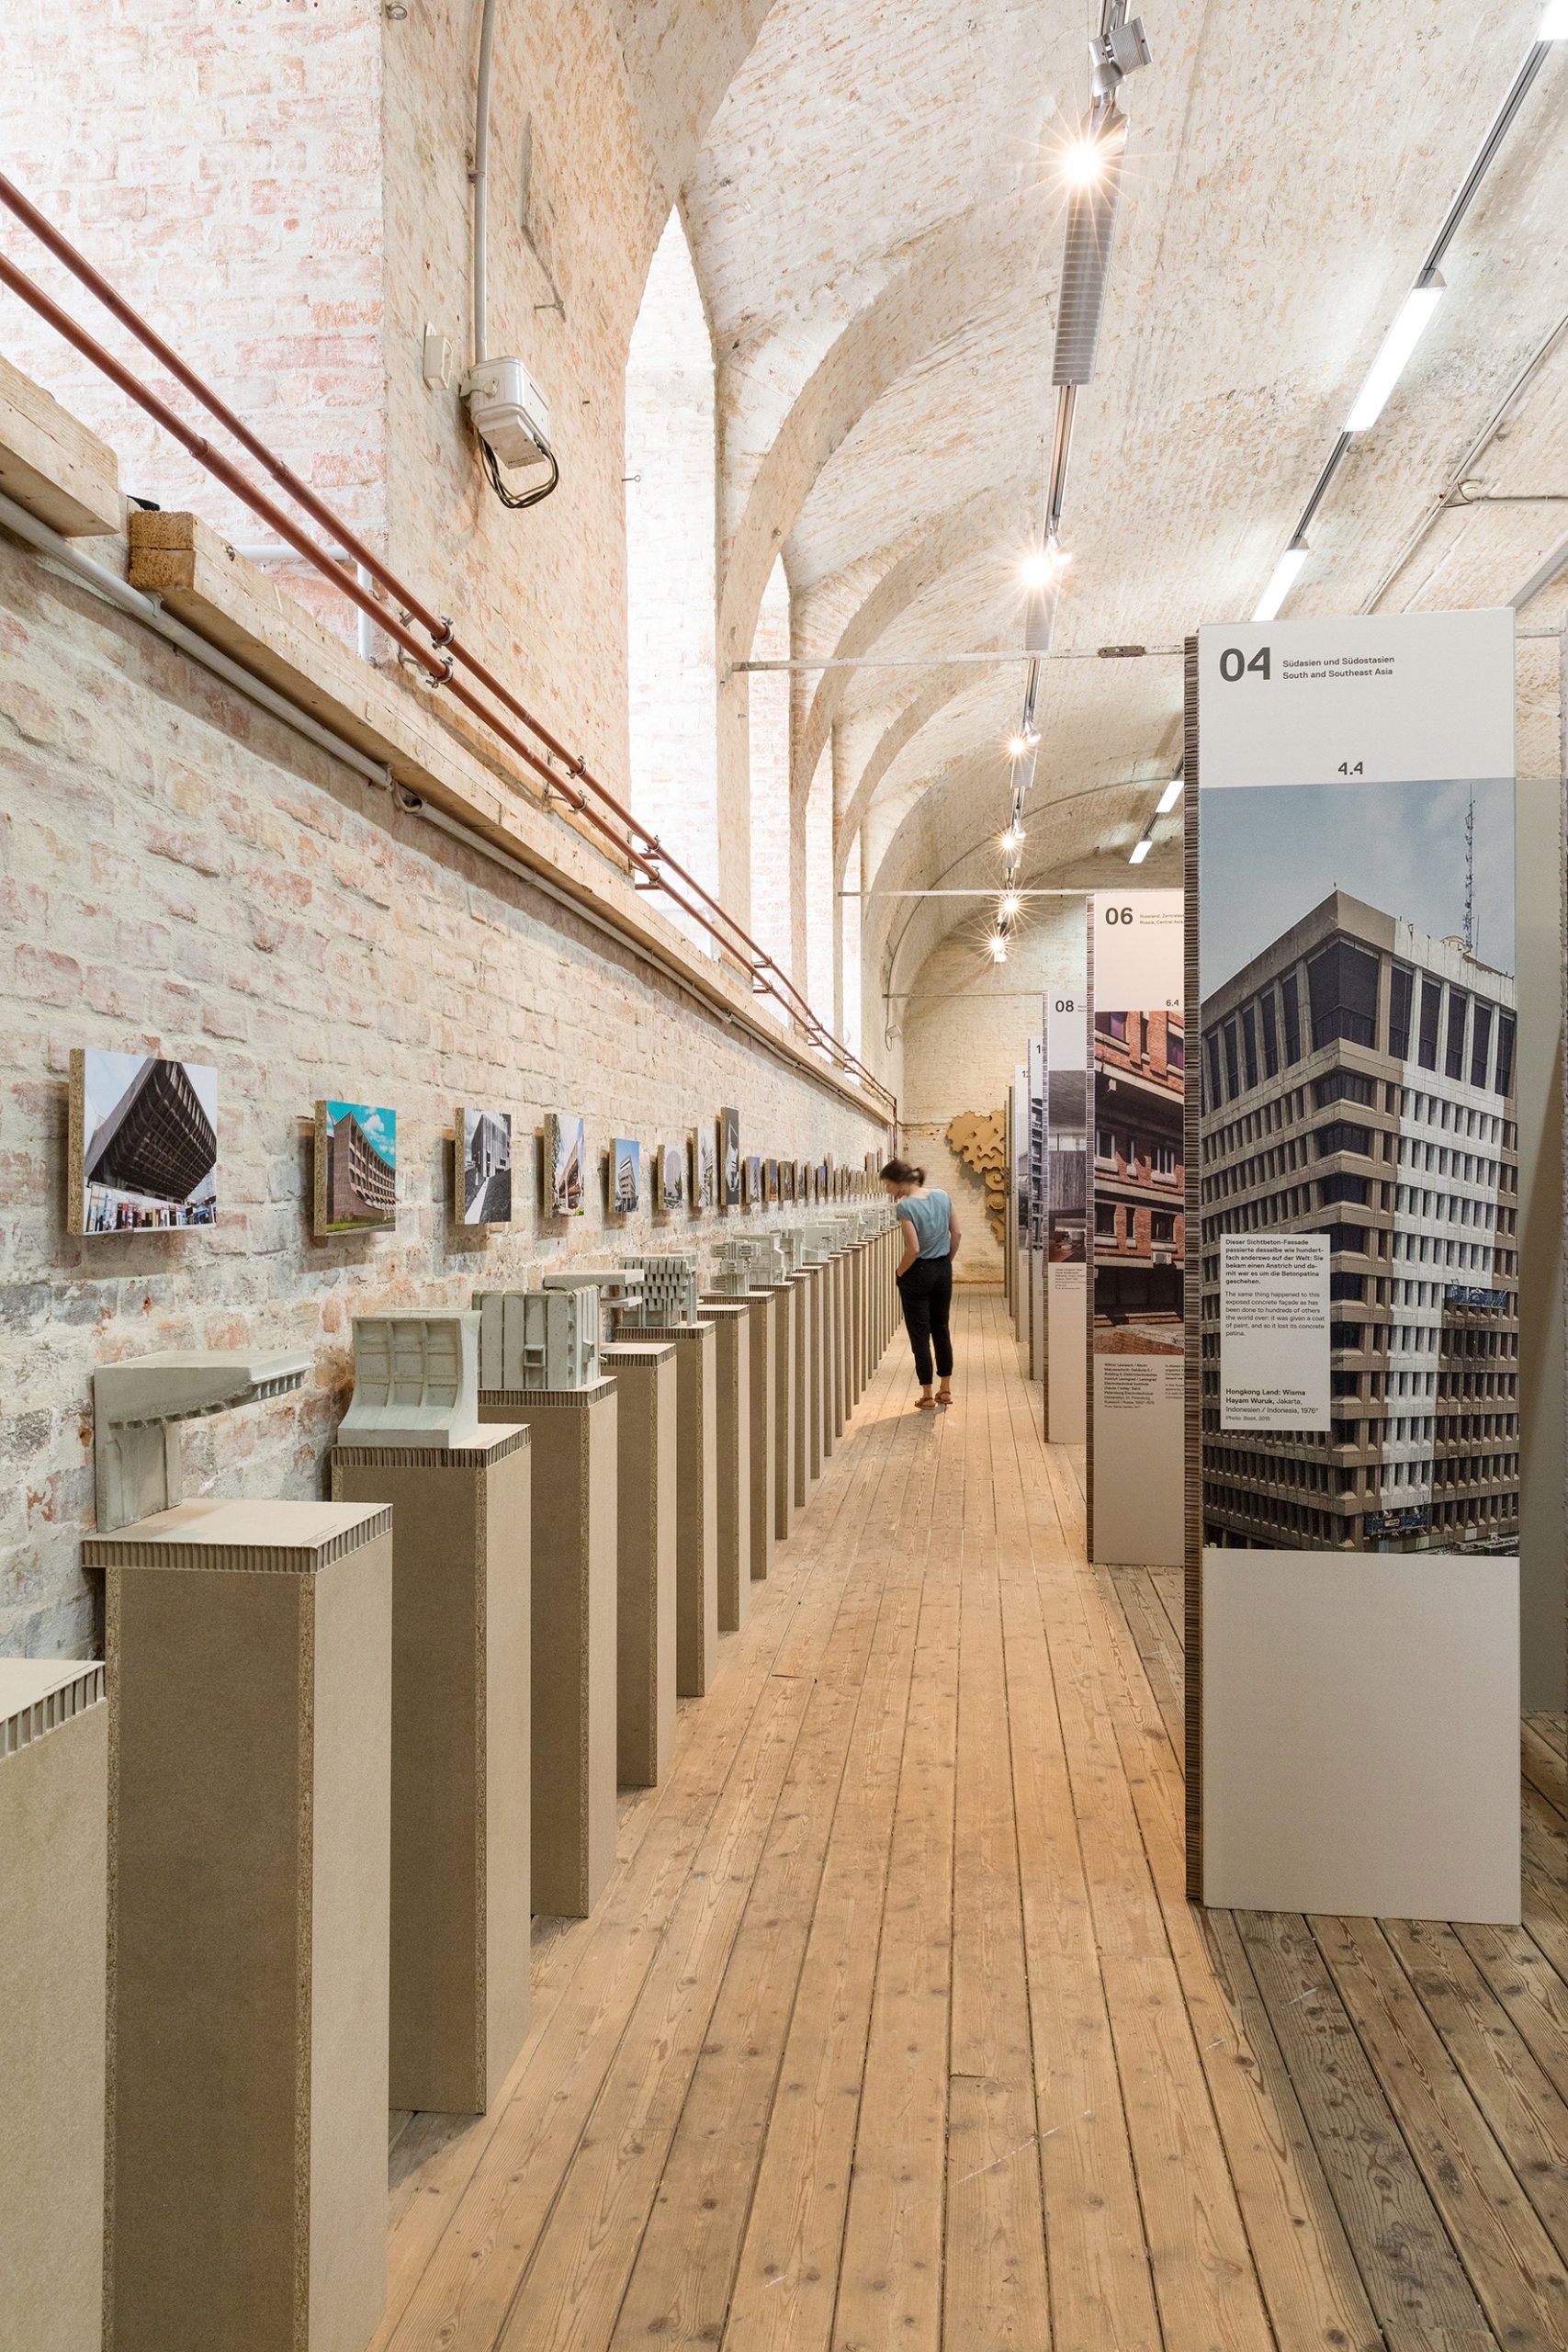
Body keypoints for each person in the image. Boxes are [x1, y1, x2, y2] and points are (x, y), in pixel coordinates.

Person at [881, 1157, 959, 1408]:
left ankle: (926, 1394)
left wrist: (900, 1271)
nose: (887, 1190)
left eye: (888, 1184)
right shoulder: (942, 1196)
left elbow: (913, 1248)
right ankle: (945, 1390)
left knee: (919, 1335)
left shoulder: (905, 1207)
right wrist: (946, 1261)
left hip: (918, 1272)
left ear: (898, 1182)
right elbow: (956, 1233)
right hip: (942, 1270)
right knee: (941, 1329)